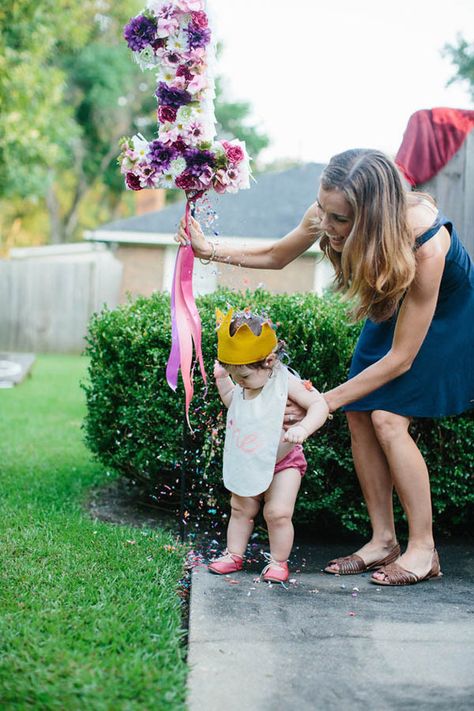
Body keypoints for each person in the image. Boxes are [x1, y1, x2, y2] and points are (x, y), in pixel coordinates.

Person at [177, 148, 474, 586]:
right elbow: (280, 254)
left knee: (388, 419)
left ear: (373, 217)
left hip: (446, 318)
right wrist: (209, 249)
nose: (326, 224)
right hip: (392, 303)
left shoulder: (427, 241)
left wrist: (320, 402)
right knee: (359, 413)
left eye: (339, 220)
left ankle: (424, 550)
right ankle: (383, 540)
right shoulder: (328, 210)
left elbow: (402, 358)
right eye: (324, 209)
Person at [208, 307, 328, 583]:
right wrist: (223, 382)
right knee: (240, 509)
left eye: (244, 377)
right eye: (235, 377)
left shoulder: (286, 382)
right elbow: (234, 406)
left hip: (284, 461)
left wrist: (303, 428)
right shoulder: (243, 383)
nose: (241, 384)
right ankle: (233, 554)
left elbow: (319, 404)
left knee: (278, 512)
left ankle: (278, 562)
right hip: (248, 459)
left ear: (269, 360)